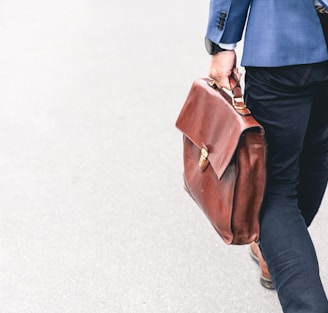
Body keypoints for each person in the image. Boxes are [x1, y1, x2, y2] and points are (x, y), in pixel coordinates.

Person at [205, 1, 328, 312]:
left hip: (283, 41)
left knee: (274, 187)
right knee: (317, 155)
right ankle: (276, 249)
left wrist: (222, 43)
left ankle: (294, 280)